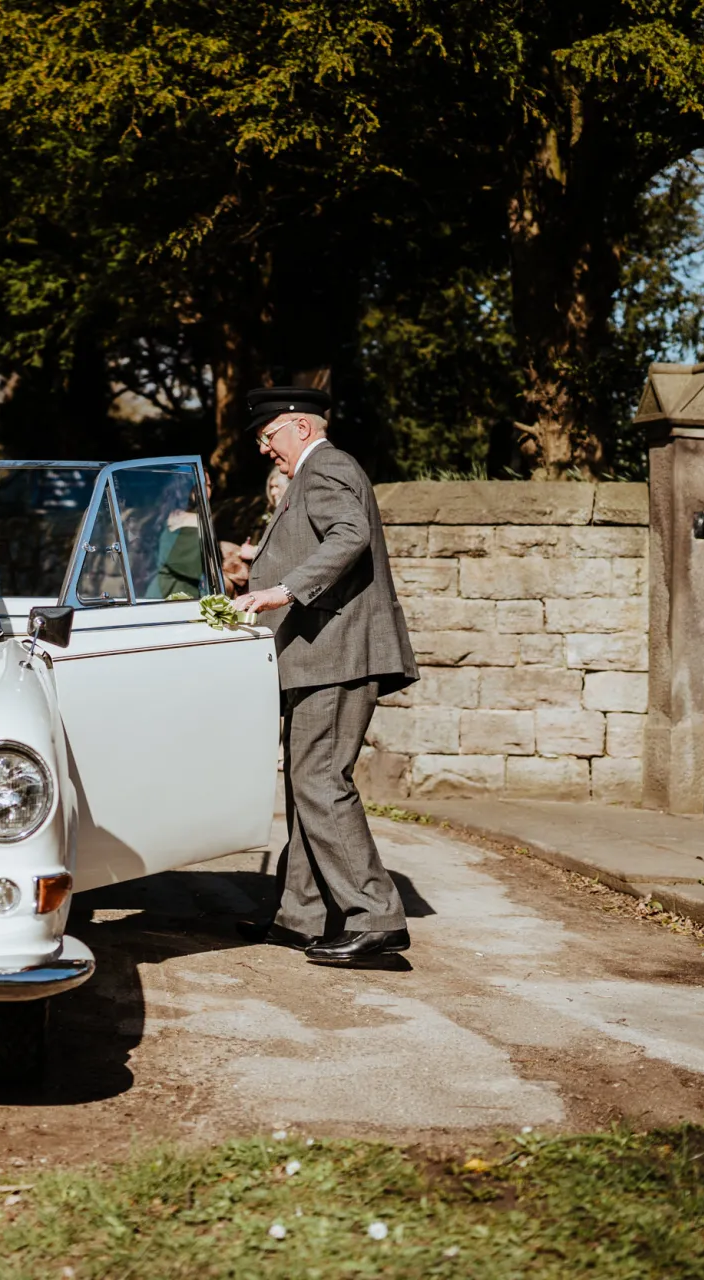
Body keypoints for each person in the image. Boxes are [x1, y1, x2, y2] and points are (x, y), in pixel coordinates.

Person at [231, 387, 419, 965]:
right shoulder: (314, 470)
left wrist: (281, 589)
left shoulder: (328, 465)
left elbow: (350, 536)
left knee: (320, 779)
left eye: (268, 437)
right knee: (306, 782)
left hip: (337, 654)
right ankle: (301, 914)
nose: (266, 450)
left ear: (300, 428)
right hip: (318, 654)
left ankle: (375, 917)